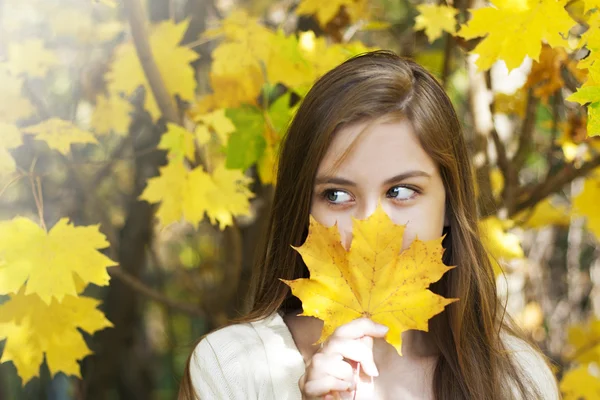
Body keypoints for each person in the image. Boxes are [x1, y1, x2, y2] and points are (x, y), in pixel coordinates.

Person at [178, 50, 560, 399]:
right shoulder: (232, 370)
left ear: (448, 204)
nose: (370, 224)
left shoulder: (516, 380)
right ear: (303, 210)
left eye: (402, 190)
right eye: (337, 195)